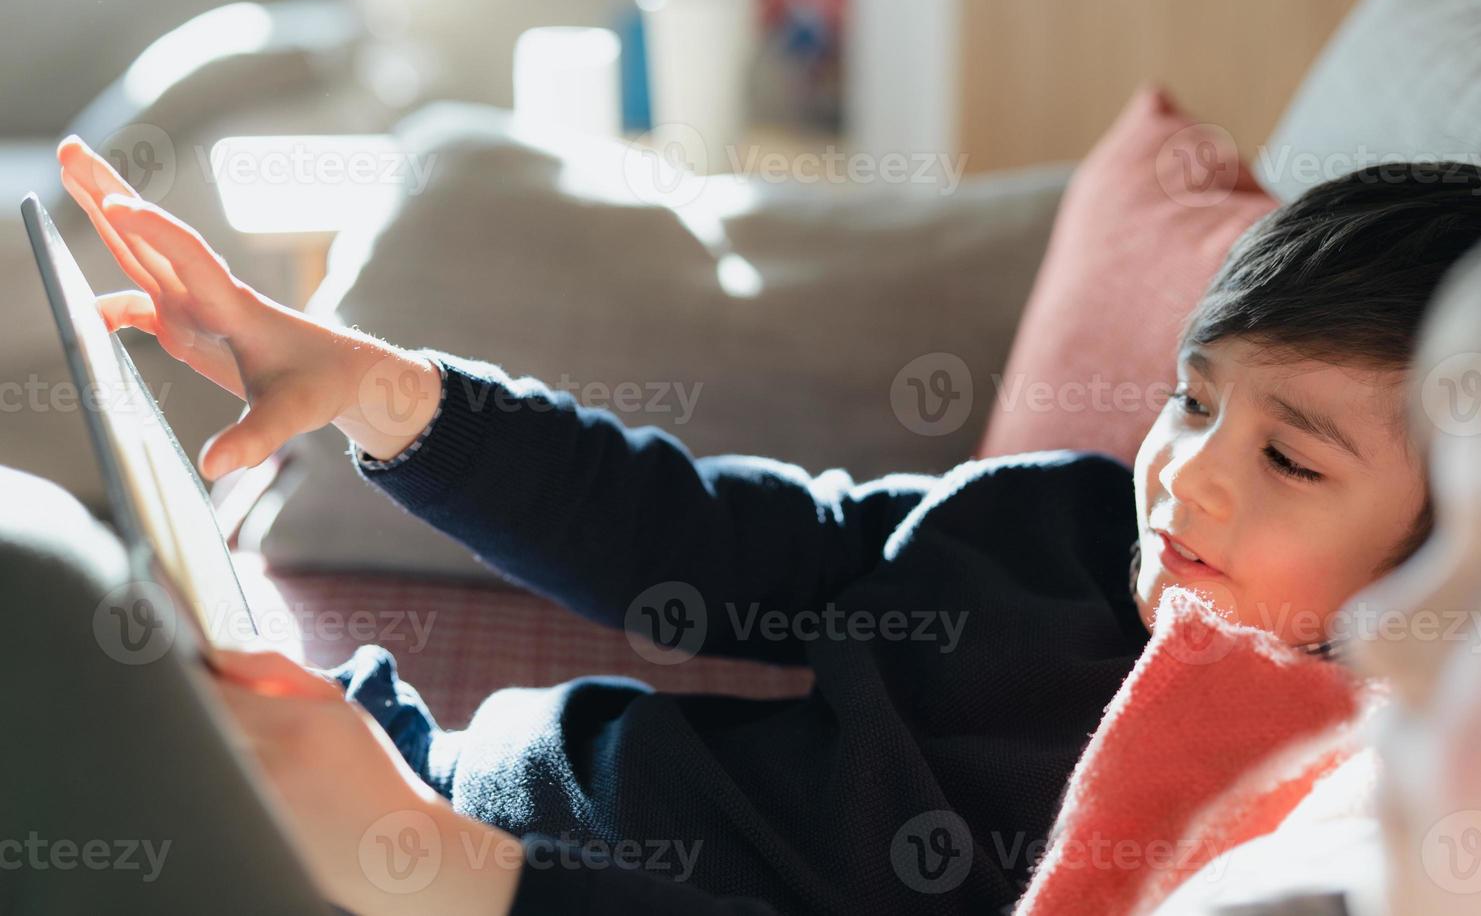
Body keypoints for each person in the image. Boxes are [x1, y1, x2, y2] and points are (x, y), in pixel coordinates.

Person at [17, 138, 1481, 915]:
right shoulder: (1065, 525)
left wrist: (437, 869)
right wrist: (379, 390)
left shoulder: (1267, 810)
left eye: (1289, 460)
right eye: (1190, 401)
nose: (1189, 478)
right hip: (421, 775)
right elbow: (700, 543)